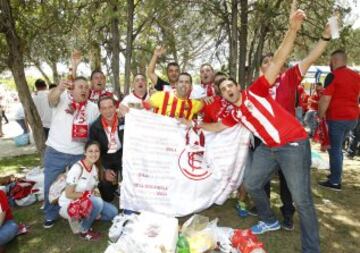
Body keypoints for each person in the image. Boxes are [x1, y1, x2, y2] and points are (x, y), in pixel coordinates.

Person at [189, 8, 321, 252]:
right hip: (270, 149)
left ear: (238, 86)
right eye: (224, 89)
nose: (227, 89)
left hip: (293, 144)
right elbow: (217, 126)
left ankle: (311, 249)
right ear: (224, 97)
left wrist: (292, 29)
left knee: (302, 200)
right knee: (251, 183)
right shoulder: (234, 113)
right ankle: (269, 219)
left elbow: (280, 58)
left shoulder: (257, 90)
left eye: (230, 85)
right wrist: (195, 124)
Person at [256, 24, 331, 230]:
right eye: (266, 62)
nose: (270, 64)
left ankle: (288, 214)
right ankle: (265, 215)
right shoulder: (258, 87)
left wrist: (324, 38)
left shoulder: (288, 78)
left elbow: (310, 58)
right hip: (266, 142)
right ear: (261, 68)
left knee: (289, 183)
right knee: (259, 180)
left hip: (289, 143)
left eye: (274, 61)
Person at [43, 76, 99, 229]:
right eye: (80, 87)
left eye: (86, 87)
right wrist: (60, 87)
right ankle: (50, 213)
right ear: (72, 89)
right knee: (50, 185)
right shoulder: (62, 98)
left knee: (79, 186)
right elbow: (51, 98)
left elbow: (95, 131)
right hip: (56, 150)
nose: (84, 90)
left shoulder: (93, 108)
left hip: (78, 153)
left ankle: (78, 212)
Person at [58, 140, 117, 241]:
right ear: (85, 152)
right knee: (97, 203)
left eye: (96, 151)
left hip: (85, 200)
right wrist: (90, 196)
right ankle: (83, 230)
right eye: (90, 151)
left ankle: (86, 217)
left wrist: (94, 198)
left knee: (113, 213)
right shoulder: (77, 168)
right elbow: (69, 194)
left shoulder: (95, 168)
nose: (94, 154)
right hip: (69, 203)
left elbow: (94, 189)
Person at [318, 49, 360, 190]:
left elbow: (325, 99)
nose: (330, 63)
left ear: (334, 61)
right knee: (339, 148)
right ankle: (335, 174)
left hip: (337, 117)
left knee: (334, 149)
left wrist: (320, 115)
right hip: (353, 118)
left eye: (331, 61)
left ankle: (335, 181)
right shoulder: (356, 76)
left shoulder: (333, 76)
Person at [89, 96, 124, 202]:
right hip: (105, 158)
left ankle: (126, 190)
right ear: (99, 110)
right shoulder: (94, 127)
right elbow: (92, 154)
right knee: (107, 196)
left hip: (123, 154)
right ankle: (113, 187)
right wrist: (104, 171)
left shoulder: (124, 121)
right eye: (103, 108)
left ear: (115, 107)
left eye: (110, 107)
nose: (108, 111)